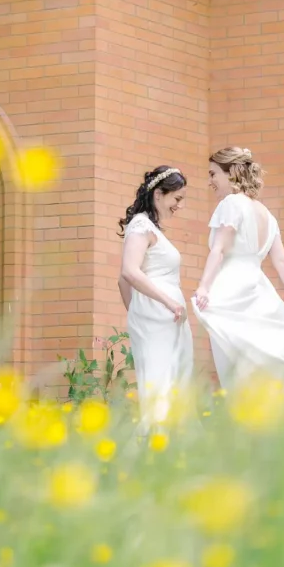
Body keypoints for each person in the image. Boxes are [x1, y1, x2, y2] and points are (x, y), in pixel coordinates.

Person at [192, 147, 284, 388]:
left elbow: (219, 249)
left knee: (237, 365)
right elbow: (281, 262)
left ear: (232, 173)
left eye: (213, 174)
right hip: (258, 289)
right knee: (261, 360)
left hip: (231, 290)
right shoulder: (267, 215)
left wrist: (204, 287)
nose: (210, 181)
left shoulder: (231, 204)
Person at [117, 166, 193, 431]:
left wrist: (138, 312)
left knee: (173, 383)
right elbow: (128, 272)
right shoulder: (141, 225)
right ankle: (155, 444)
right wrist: (165, 303)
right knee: (160, 384)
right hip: (158, 316)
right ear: (159, 194)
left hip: (163, 318)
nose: (179, 206)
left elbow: (122, 280)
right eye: (177, 199)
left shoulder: (153, 229)